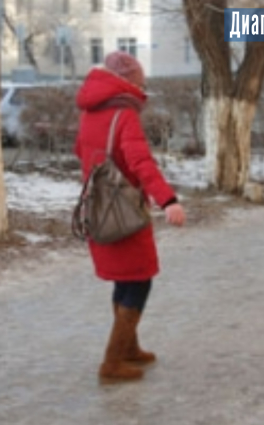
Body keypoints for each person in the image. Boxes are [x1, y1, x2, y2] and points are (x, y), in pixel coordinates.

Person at [73, 51, 185, 382]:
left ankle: (129, 348)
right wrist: (168, 200)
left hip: (98, 208)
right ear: (130, 82)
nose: (143, 87)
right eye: (140, 81)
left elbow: (81, 152)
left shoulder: (90, 112)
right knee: (139, 280)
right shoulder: (124, 115)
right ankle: (112, 362)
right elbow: (141, 163)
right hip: (125, 211)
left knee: (125, 279)